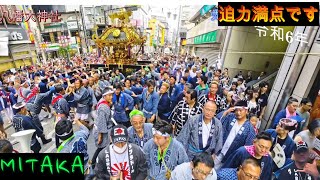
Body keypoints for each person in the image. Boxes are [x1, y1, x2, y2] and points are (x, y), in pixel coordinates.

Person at [214, 100, 256, 170]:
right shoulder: (230, 117)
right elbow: (218, 125)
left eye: (240, 110)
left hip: (232, 158)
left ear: (246, 111)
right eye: (236, 110)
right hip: (219, 152)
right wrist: (226, 112)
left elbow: (247, 148)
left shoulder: (250, 129)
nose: (238, 112)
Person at [91, 87, 114, 169]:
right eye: (109, 95)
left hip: (103, 128)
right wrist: (100, 135)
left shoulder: (103, 101)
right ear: (104, 96)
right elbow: (101, 122)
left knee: (103, 147)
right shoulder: (103, 107)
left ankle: (95, 162)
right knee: (102, 148)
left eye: (112, 95)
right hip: (102, 130)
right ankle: (94, 163)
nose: (111, 97)